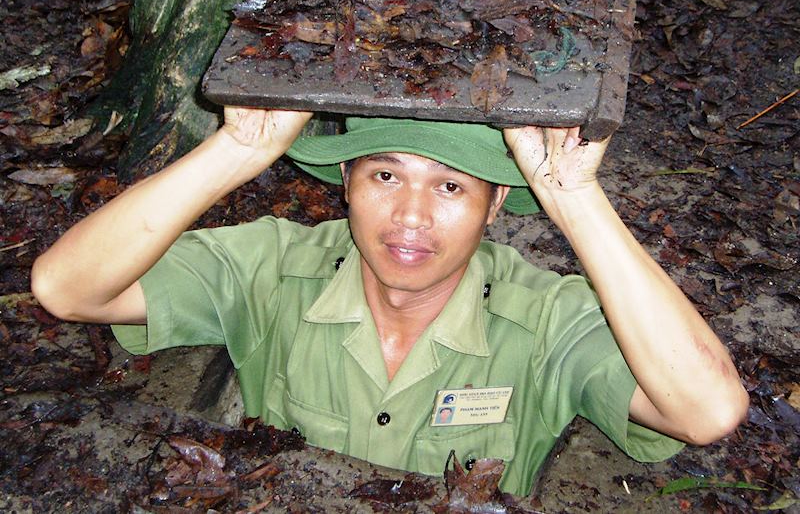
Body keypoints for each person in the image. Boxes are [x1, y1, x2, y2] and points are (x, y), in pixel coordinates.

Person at [31, 107, 749, 496]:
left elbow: (707, 410)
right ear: (344, 181)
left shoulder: (542, 318)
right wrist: (240, 148)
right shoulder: (275, 267)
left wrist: (576, 200)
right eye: (384, 175)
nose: (409, 218)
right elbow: (65, 287)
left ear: (495, 203)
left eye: (449, 186)